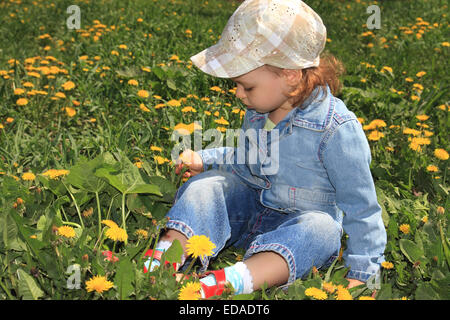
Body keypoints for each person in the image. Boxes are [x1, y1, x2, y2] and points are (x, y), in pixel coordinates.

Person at [144, 0, 387, 299]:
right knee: (205, 188)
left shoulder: (336, 129)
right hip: (249, 211)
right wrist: (205, 160)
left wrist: (362, 273)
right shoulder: (261, 110)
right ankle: (160, 265)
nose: (238, 95)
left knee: (322, 229)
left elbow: (361, 206)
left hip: (296, 229)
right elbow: (244, 158)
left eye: (247, 87)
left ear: (290, 75)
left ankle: (222, 283)